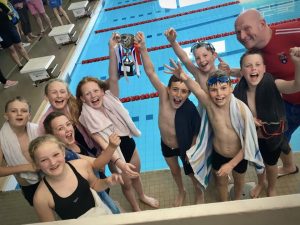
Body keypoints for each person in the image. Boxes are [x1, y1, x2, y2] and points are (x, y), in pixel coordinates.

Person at [75, 33, 159, 212]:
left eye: (96, 91)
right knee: (126, 184)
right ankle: (136, 208)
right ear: (82, 99)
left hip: (128, 143)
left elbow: (113, 76)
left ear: (102, 91)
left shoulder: (110, 97)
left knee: (136, 174)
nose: (93, 96)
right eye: (88, 94)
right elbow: (103, 143)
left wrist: (112, 50)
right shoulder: (87, 117)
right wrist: (120, 164)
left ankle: (143, 196)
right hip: (113, 152)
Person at [164, 62, 264, 201]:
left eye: (223, 88)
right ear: (208, 90)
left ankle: (236, 200)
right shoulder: (210, 105)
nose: (219, 94)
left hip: (238, 156)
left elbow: (249, 143)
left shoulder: (241, 110)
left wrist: (231, 164)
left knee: (239, 179)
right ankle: (224, 204)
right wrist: (184, 77)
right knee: (220, 182)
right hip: (218, 154)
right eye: (213, 90)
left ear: (231, 88)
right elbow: (197, 89)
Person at [136, 31, 203, 206]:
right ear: (168, 89)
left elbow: (197, 130)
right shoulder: (163, 96)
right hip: (166, 145)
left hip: (185, 147)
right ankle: (182, 191)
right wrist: (143, 48)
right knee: (175, 172)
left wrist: (193, 150)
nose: (178, 95)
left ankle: (198, 190)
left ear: (189, 93)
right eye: (175, 90)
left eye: (184, 92)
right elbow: (150, 72)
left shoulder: (189, 108)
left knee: (191, 172)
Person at [235, 8, 300, 178]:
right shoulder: (255, 55)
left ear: (262, 24)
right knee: (279, 137)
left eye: (246, 29)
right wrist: (231, 71)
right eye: (238, 32)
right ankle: (289, 166)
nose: (242, 36)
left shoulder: (291, 30)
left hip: (292, 92)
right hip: (289, 103)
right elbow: (251, 71)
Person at [234, 48, 300, 197]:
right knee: (259, 164)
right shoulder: (238, 91)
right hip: (253, 138)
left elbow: (296, 85)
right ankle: (260, 183)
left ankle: (271, 187)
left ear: (264, 68)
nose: (253, 68)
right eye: (248, 65)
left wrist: (297, 64)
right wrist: (248, 119)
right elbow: (233, 112)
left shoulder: (274, 84)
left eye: (257, 64)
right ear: (242, 71)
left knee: (271, 166)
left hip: (272, 137)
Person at [29, 134, 123, 221]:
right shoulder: (41, 198)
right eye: (44, 160)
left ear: (63, 152)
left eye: (56, 155)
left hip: (101, 212)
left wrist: (107, 182)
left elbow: (95, 185)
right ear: (36, 164)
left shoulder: (81, 166)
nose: (52, 162)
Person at [43, 111, 122, 213]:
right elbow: (97, 163)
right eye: (60, 128)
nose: (67, 129)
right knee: (114, 212)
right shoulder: (66, 155)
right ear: (52, 135)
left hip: (97, 186)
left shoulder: (72, 146)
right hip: (92, 194)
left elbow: (94, 163)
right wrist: (111, 147)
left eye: (68, 124)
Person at [39, 79, 98, 157]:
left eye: (62, 92)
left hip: (92, 145)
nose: (59, 96)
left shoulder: (75, 105)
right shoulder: (44, 123)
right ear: (46, 97)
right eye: (54, 92)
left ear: (68, 94)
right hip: (76, 155)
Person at [0, 96, 39, 206]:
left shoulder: (37, 130)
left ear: (29, 116)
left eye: (24, 111)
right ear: (6, 116)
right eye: (13, 111)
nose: (19, 114)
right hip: (29, 186)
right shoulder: (2, 140)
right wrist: (27, 167)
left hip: (48, 176)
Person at [164, 27, 231, 90]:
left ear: (214, 55)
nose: (202, 60)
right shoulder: (198, 74)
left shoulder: (222, 72)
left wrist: (227, 73)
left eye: (205, 55)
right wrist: (173, 41)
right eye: (197, 58)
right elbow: (184, 58)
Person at [0, 1, 30, 70]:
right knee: (11, 49)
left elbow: (10, 13)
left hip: (10, 27)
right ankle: (20, 65)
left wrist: (11, 14)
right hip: (1, 33)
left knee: (19, 45)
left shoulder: (0, 4)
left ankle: (28, 60)